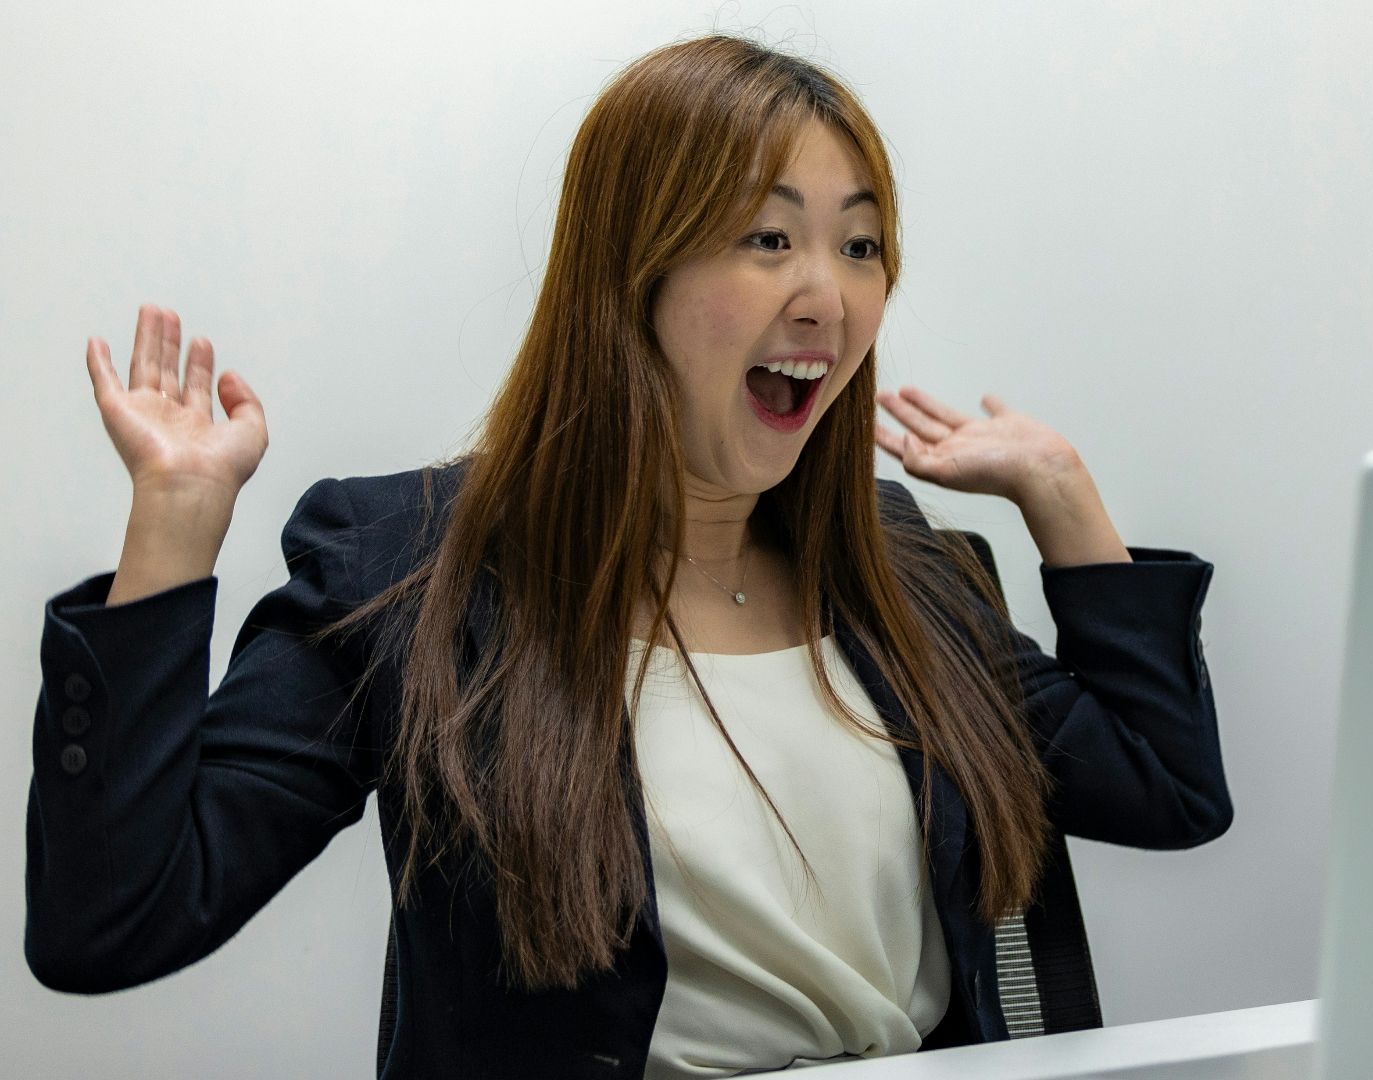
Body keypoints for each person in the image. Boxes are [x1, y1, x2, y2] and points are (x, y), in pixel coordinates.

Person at [25, 33, 1231, 1080]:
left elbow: (1166, 791)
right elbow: (116, 919)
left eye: (860, 248)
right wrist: (173, 531)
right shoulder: (410, 573)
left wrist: (1065, 500)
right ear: (631, 273)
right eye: (769, 237)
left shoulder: (899, 569)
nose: (828, 297)